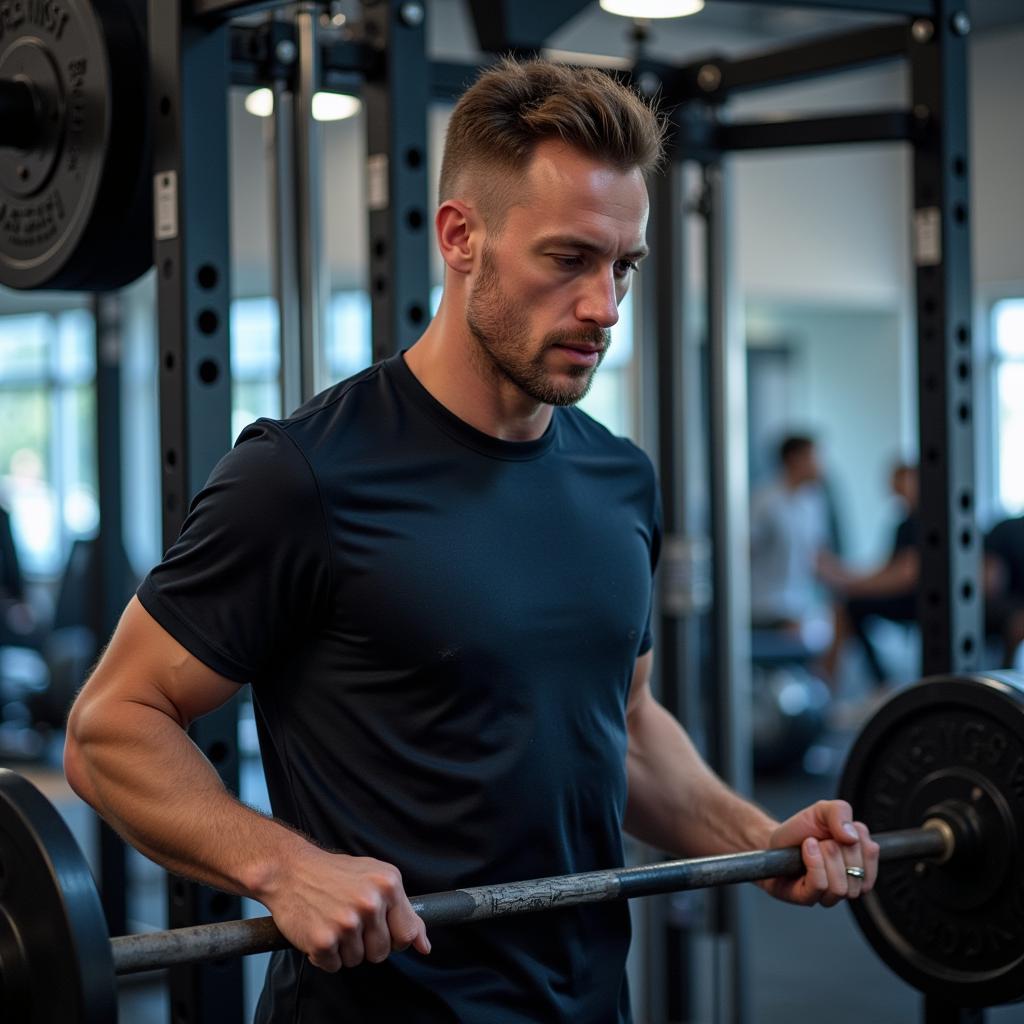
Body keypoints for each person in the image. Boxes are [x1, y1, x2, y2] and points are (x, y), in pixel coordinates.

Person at [63, 59, 878, 1023]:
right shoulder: (304, 476)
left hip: (588, 1003)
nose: (606, 308)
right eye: (568, 259)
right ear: (461, 236)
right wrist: (285, 868)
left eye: (624, 266)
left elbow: (622, 726)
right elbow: (110, 726)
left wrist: (758, 835)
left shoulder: (620, 478)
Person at [818, 462, 920, 689]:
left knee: (852, 607)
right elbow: (888, 570)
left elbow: (904, 575)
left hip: (922, 600)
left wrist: (852, 584)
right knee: (847, 607)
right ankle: (831, 680)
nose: (896, 486)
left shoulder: (923, 522)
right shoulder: (904, 523)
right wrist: (848, 579)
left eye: (902, 479)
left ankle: (874, 682)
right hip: (908, 597)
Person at [749, 435, 839, 650]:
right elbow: (745, 549)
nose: (820, 464)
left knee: (838, 623)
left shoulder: (814, 501)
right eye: (815, 457)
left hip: (801, 606)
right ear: (794, 459)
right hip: (766, 606)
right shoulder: (764, 499)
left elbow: (817, 556)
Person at [984, 514, 1024, 666]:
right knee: (1019, 622)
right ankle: (1006, 678)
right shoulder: (1008, 530)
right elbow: (988, 581)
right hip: (1002, 605)